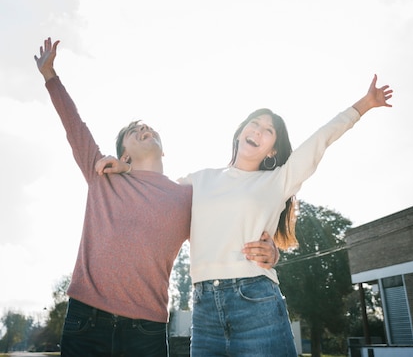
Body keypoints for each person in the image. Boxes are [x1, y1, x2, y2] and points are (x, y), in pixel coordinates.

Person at [99, 73, 393, 356]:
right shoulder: (199, 179)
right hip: (204, 309)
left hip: (256, 302)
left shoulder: (278, 180)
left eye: (268, 131)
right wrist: (128, 168)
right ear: (239, 132)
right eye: (254, 124)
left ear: (271, 150)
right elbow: (156, 196)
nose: (258, 131)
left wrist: (364, 104)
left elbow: (321, 139)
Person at [34, 37, 278, 357]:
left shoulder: (187, 196)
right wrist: (50, 76)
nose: (144, 128)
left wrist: (270, 249)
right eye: (133, 130)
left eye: (148, 127)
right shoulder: (102, 175)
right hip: (87, 320)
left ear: (164, 148)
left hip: (146, 330)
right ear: (124, 152)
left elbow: (226, 228)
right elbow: (74, 126)